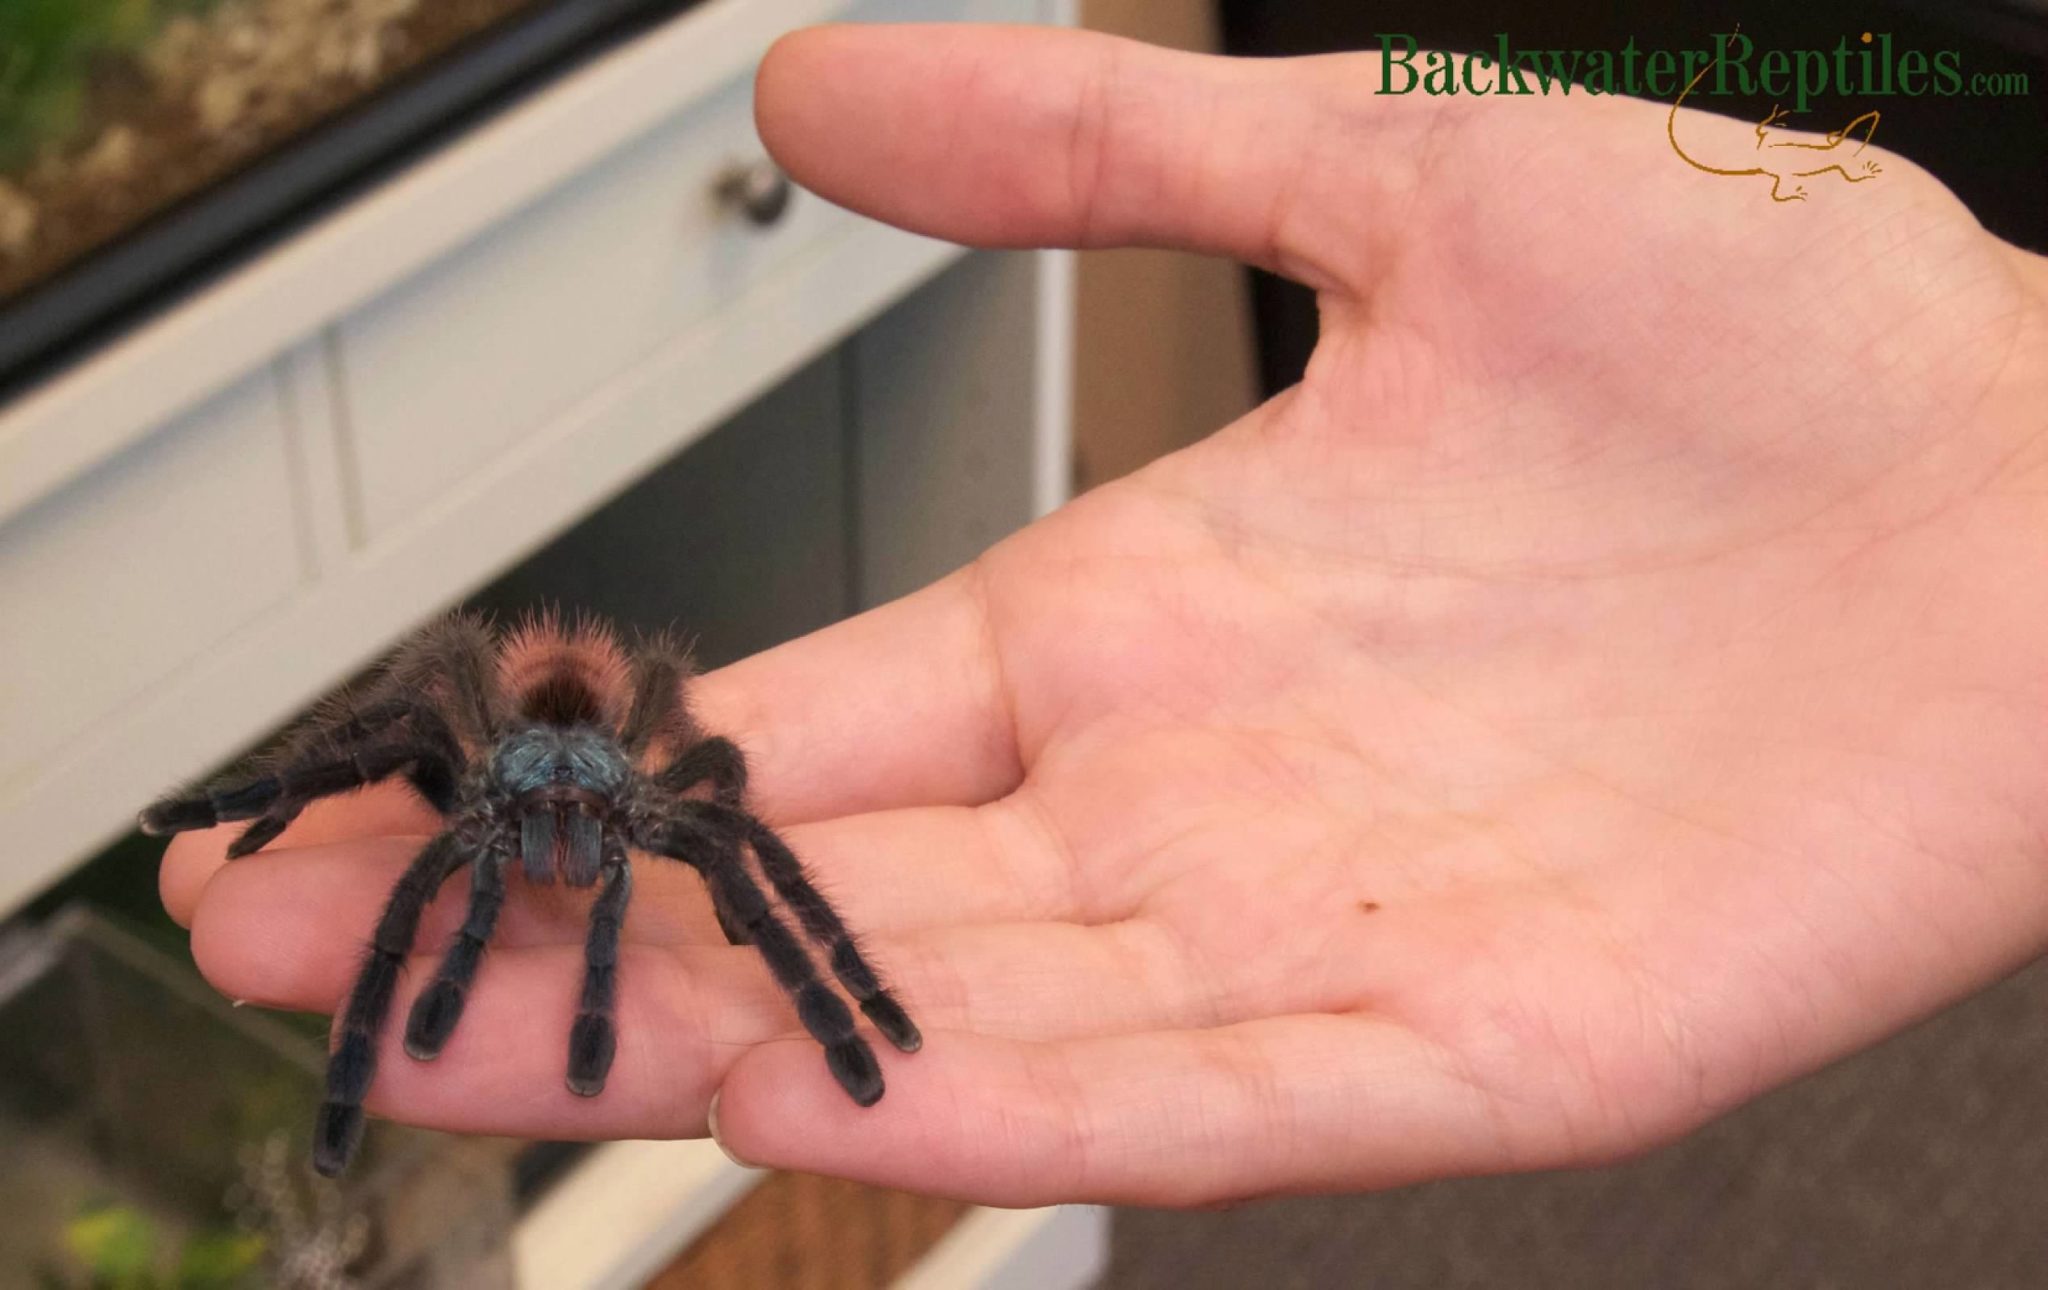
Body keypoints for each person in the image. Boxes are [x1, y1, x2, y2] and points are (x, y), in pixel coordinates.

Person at [159, 24, 2048, 1207]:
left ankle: (851, 1007)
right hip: (499, 710)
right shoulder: (491, 764)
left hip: (619, 712)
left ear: (621, 755)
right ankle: (288, 965)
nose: (571, 830)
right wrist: (268, 797)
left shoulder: (654, 765)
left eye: (600, 794)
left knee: (727, 870)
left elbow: (718, 791)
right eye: (557, 798)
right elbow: (434, 744)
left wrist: (846, 981)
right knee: (417, 862)